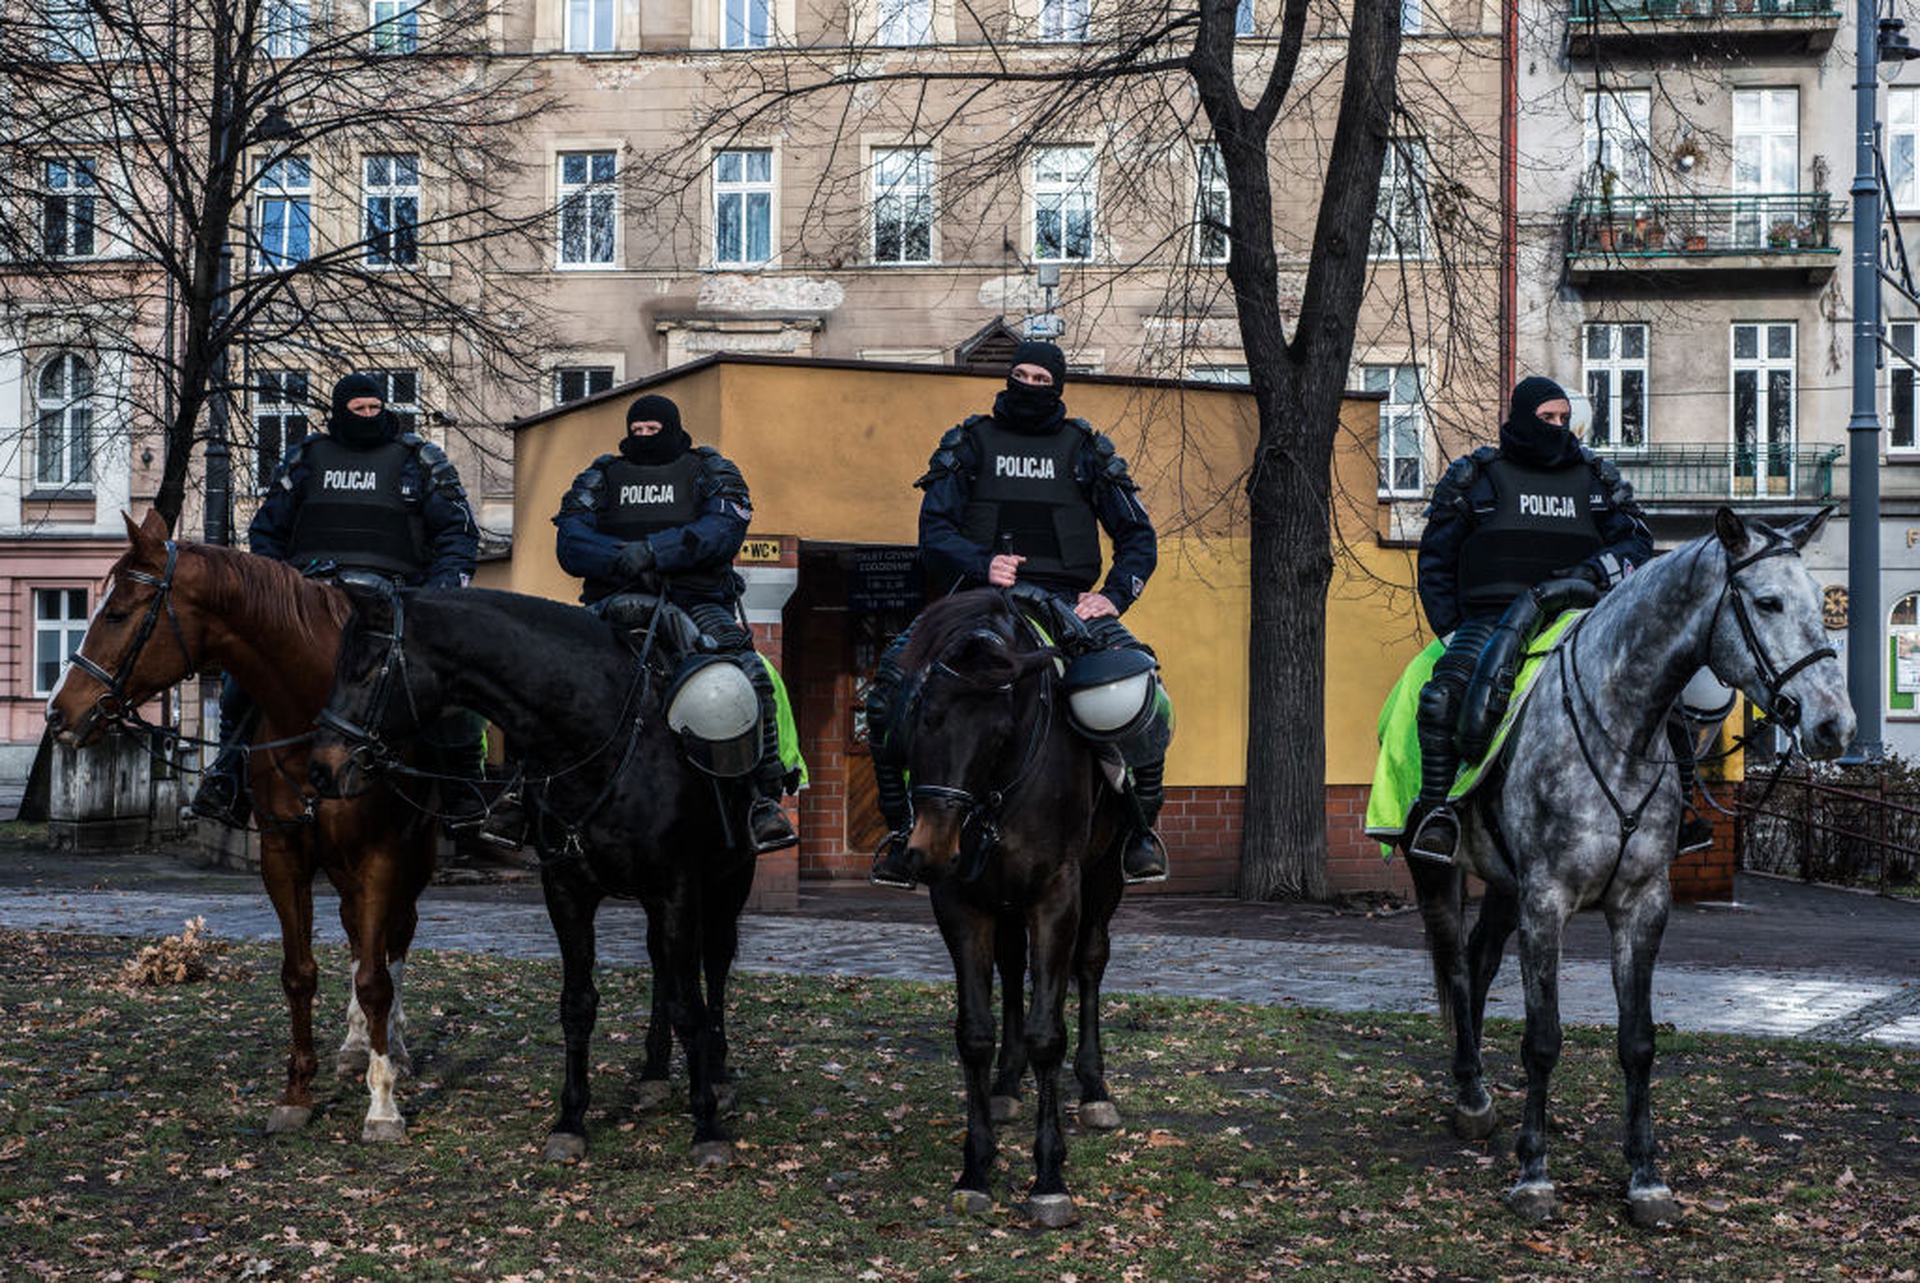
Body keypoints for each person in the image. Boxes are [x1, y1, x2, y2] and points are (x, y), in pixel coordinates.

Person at [866, 340, 1167, 889]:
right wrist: (981, 563)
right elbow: (934, 532)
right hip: (977, 599)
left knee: (1142, 688)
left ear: (1058, 386)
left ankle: (1139, 833)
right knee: (891, 684)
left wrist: (1113, 596)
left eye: (1040, 379)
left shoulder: (1086, 451)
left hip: (1068, 603)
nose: (1028, 386)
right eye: (1020, 375)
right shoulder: (968, 444)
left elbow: (1138, 536)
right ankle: (900, 829)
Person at [190, 372, 488, 832]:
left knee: (451, 683)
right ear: (339, 412)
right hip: (310, 600)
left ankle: (464, 793)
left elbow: (458, 532)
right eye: (358, 410)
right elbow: (266, 533)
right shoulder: (305, 459)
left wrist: (440, 591)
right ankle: (226, 779)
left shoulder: (420, 461)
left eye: (375, 408)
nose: (368, 416)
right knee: (245, 674)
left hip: (395, 603)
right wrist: (280, 591)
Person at [1407, 375, 1655, 863]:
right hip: (1491, 621)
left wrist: (1592, 570)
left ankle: (1680, 812)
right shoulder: (1474, 477)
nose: (1558, 426)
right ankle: (1439, 816)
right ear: (1523, 417)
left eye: (1564, 418)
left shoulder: (1598, 479)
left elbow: (1637, 544)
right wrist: (1452, 630)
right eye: (1547, 418)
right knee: (1442, 697)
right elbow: (1436, 560)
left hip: (1582, 618)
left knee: (1661, 684)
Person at [552, 393, 799, 854]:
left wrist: (655, 552)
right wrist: (623, 558)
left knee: (750, 675)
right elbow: (570, 541)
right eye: (637, 430)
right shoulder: (601, 476)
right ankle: (522, 795)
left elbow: (722, 531)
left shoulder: (709, 470)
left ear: (673, 427)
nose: (644, 437)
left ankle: (762, 801)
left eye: (653, 430)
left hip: (695, 601)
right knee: (545, 670)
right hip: (613, 601)